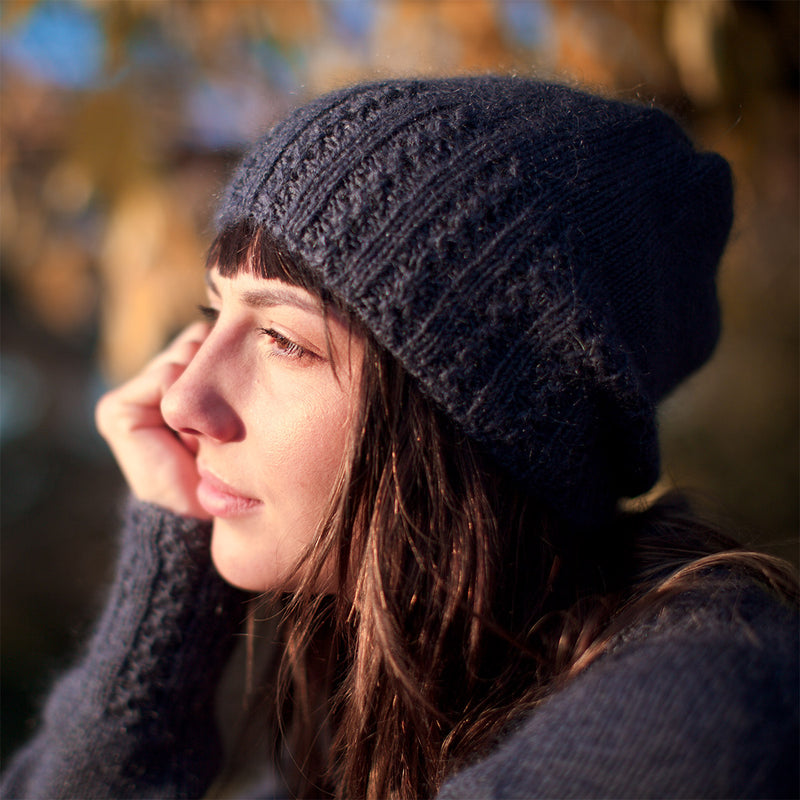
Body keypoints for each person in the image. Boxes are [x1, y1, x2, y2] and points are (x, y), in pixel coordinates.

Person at [2, 76, 798, 800]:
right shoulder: (376, 716)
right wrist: (170, 567)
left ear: (474, 422)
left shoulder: (688, 725)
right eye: (214, 314)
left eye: (285, 339)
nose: (179, 396)